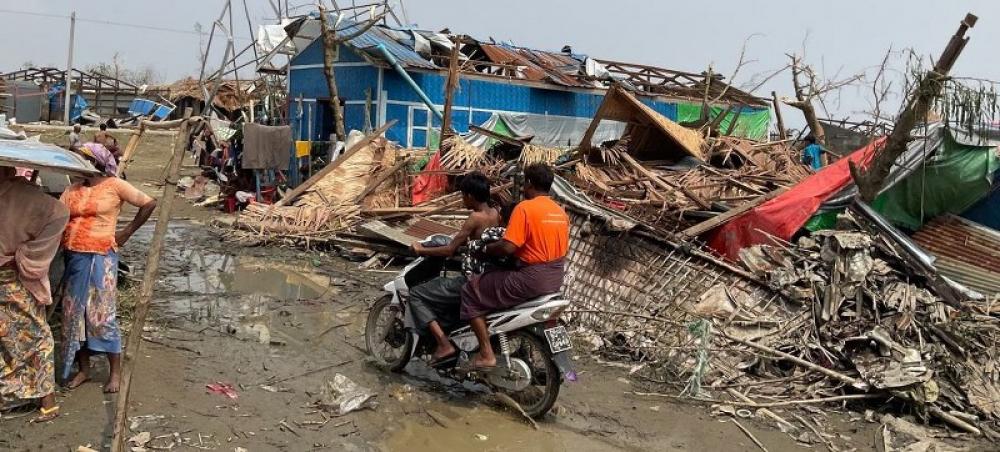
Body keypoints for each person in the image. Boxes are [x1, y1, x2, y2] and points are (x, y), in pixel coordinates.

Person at [58, 149, 156, 394]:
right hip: (74, 256)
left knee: (102, 314)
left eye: (84, 160)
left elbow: (148, 203)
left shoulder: (114, 185)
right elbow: (58, 215)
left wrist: (127, 232)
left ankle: (115, 372)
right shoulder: (72, 189)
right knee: (73, 314)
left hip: (101, 256)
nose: (79, 165)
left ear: (95, 162)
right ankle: (84, 368)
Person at [460, 164, 569, 370]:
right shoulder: (560, 212)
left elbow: (508, 246)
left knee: (471, 290)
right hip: (555, 278)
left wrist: (484, 250)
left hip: (531, 278)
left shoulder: (525, 208)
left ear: (529, 183)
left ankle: (486, 353)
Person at [408, 172, 500, 366]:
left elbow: (450, 250)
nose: (462, 198)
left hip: (471, 278)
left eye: (463, 195)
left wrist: (421, 249)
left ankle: (443, 343)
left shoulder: (475, 217)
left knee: (416, 294)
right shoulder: (495, 214)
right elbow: (480, 242)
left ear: (470, 196)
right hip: (489, 274)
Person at [0, 166, 69, 422]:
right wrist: (27, 253)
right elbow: (60, 211)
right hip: (14, 278)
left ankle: (14, 395)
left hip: (10, 278)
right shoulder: (35, 201)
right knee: (38, 337)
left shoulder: (19, 195)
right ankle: (45, 401)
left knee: (10, 340)